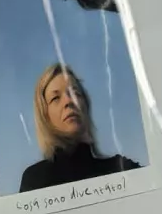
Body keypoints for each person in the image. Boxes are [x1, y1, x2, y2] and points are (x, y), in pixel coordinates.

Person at [19, 63, 139, 191]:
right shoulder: (35, 179)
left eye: (75, 93)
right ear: (45, 116)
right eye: (55, 98)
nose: (69, 101)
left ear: (86, 106)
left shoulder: (120, 169)